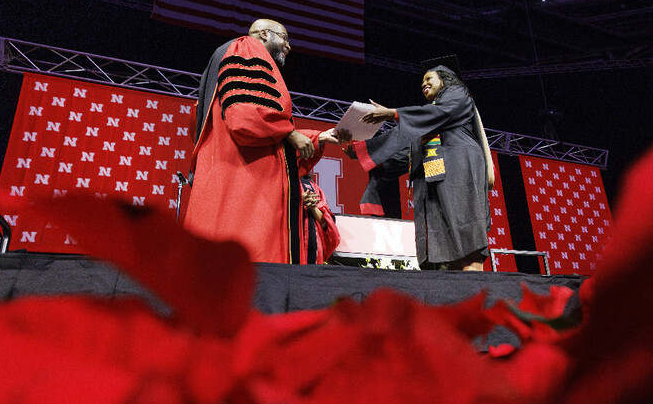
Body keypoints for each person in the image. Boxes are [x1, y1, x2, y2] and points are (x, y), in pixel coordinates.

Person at [181, 18, 343, 264]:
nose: (289, 47)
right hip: (244, 180)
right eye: (285, 39)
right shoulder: (246, 48)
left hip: (228, 172)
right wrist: (289, 132)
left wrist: (317, 136)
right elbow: (244, 115)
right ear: (265, 34)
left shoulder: (221, 61)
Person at [351, 65, 493, 270]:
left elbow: (437, 112)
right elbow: (405, 154)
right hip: (437, 183)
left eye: (429, 79)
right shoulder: (427, 125)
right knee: (447, 250)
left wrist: (392, 113)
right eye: (422, 82)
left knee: (466, 243)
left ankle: (476, 291)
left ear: (446, 79)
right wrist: (363, 152)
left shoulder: (458, 94)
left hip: (459, 170)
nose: (424, 84)